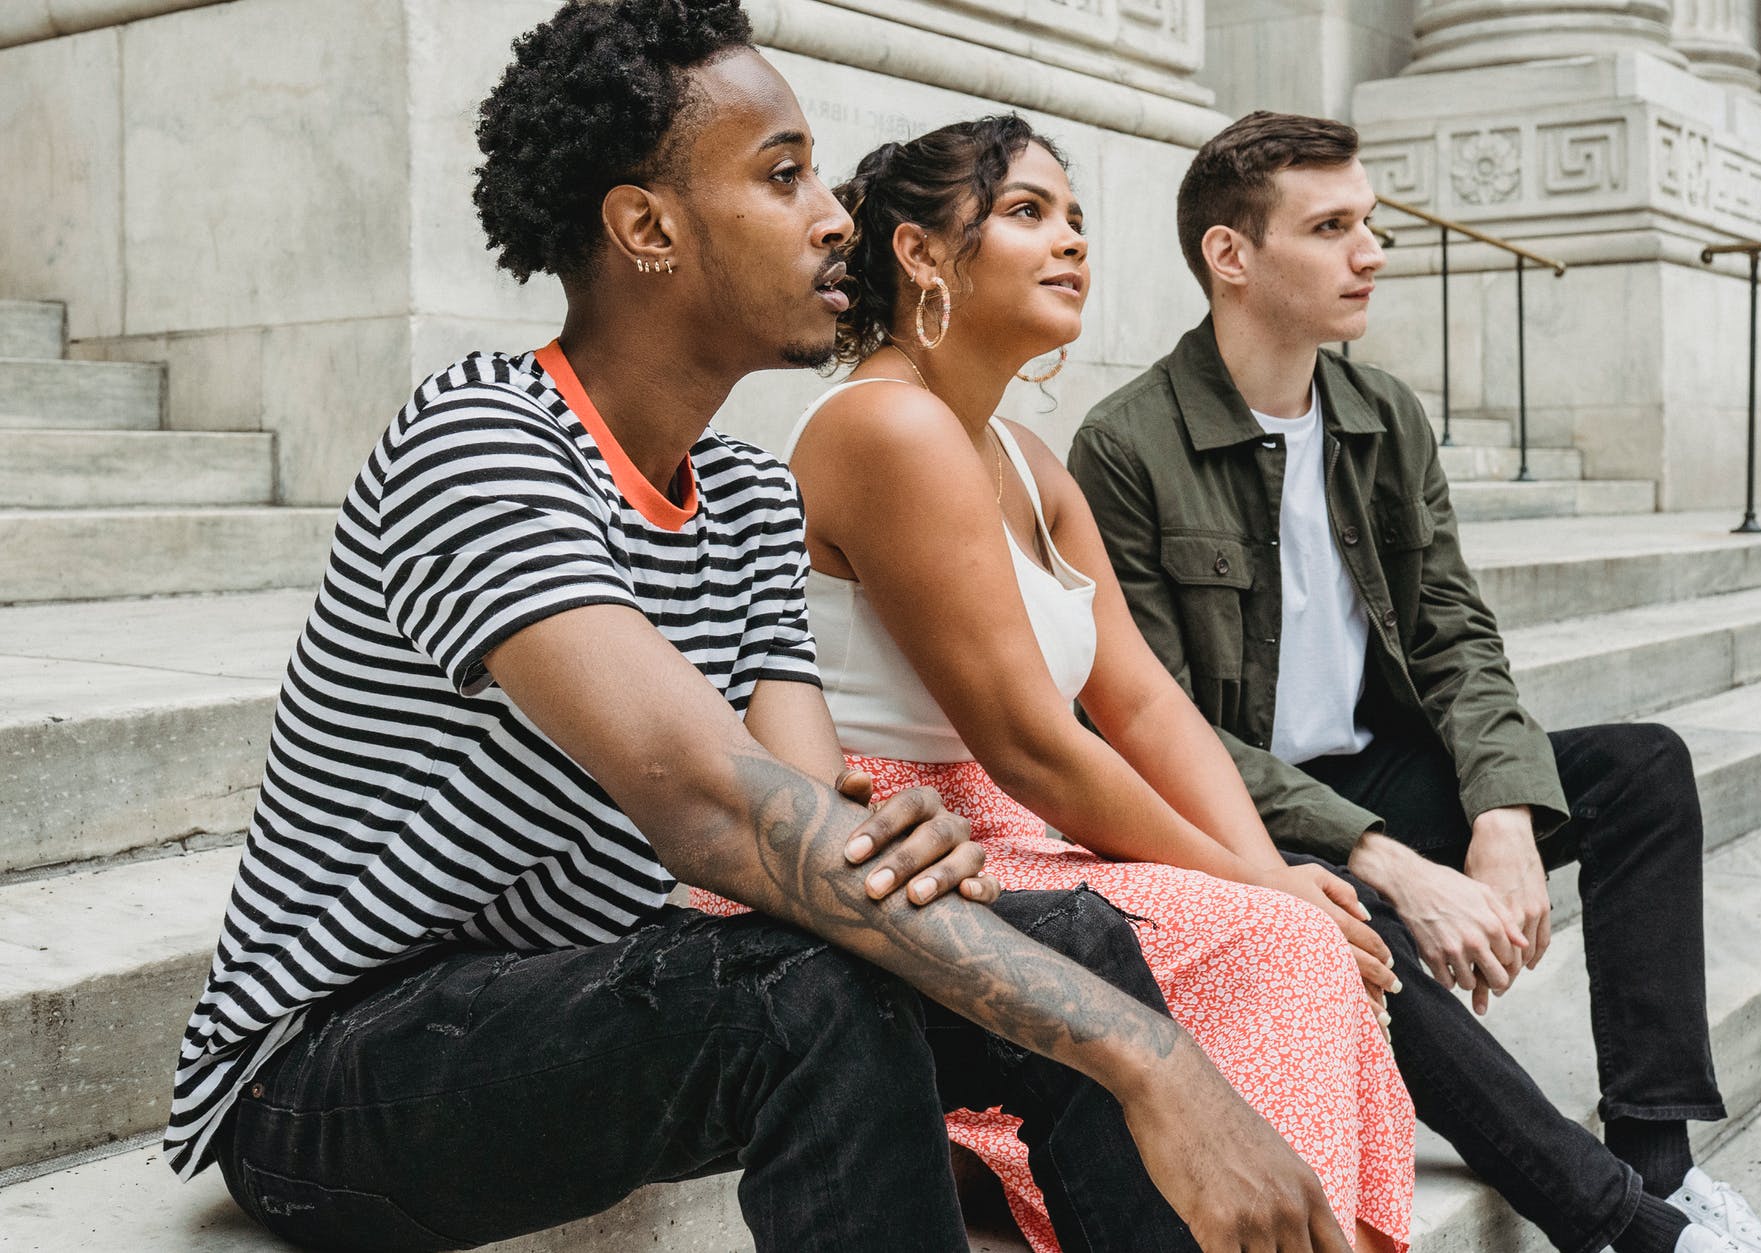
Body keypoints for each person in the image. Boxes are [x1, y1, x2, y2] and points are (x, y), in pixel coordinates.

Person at [159, 11, 1362, 1251]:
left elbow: (802, 808)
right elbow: (719, 811)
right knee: (821, 988)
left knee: (1075, 937)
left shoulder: (740, 492)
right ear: (647, 230)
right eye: (781, 175)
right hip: (326, 1071)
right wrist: (1155, 1059)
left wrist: (895, 840)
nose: (834, 215)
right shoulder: (480, 442)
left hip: (590, 989)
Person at [1067, 110, 1761, 1253]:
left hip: (1373, 771)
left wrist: (1503, 811)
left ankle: (1660, 1162)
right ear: (1230, 255)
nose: (1371, 252)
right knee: (1353, 915)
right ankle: (1613, 1223)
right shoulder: (1125, 446)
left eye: (1370, 224)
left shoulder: (1381, 416)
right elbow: (1154, 721)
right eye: (1331, 227)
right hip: (1237, 817)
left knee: (1638, 769)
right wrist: (1393, 861)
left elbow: (1454, 631)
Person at [724, 114, 1414, 1253]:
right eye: (1026, 213)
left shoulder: (1029, 461)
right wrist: (1267, 894)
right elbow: (1029, 742)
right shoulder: (887, 424)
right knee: (1285, 941)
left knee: (1306, 919)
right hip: (891, 833)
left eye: (1078, 220)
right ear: (920, 254)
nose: (1072, 245)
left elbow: (1140, 701)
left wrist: (1268, 867)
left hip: (1010, 826)